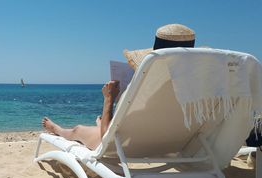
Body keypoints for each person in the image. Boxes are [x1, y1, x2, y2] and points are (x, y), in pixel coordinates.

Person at [42, 24, 196, 150]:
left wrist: (109, 98)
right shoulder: (199, 91)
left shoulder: (143, 89)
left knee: (78, 130)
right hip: (172, 145)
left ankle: (57, 129)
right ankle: (100, 123)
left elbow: (106, 139)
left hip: (128, 146)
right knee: (101, 126)